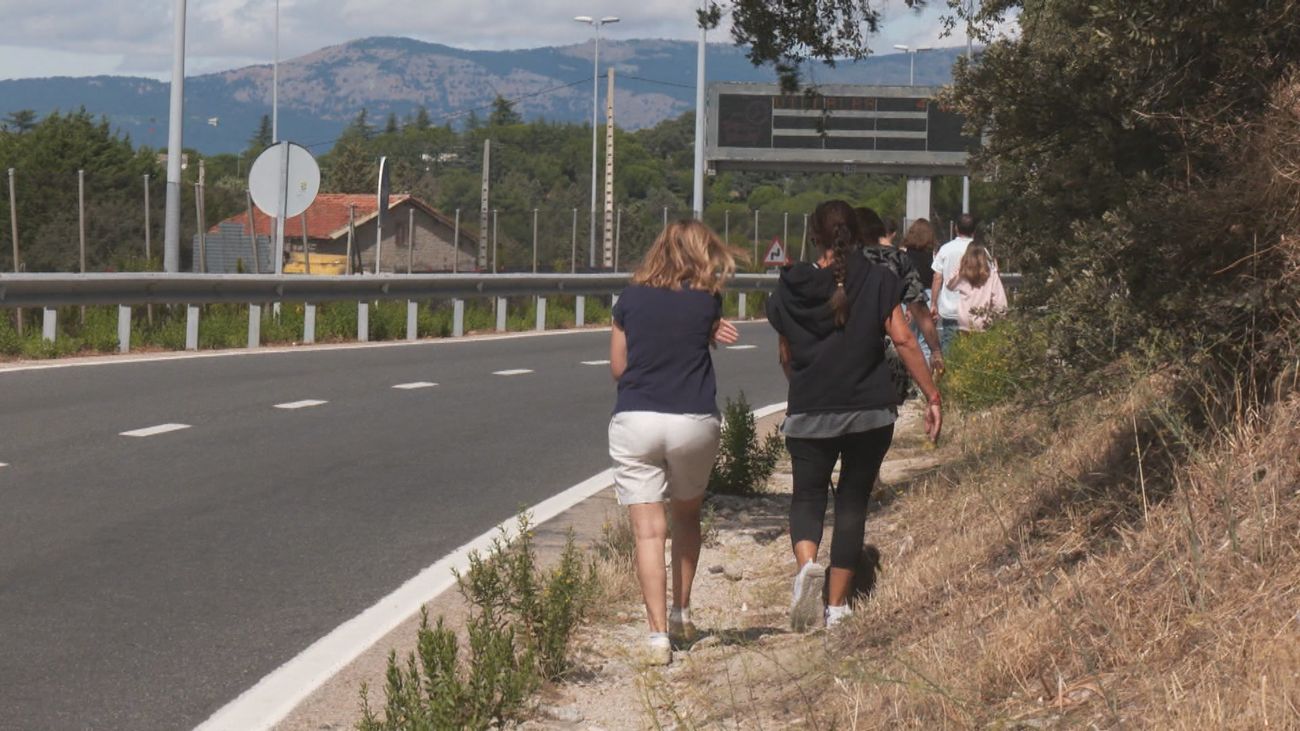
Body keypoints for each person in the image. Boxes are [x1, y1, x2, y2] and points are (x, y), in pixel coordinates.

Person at [767, 200, 942, 632]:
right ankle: (838, 608)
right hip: (869, 412)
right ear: (859, 236)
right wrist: (933, 395)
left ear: (814, 237)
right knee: (851, 504)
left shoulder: (790, 285)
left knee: (807, 497)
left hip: (810, 411)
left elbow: (786, 356)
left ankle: (808, 566)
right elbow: (902, 340)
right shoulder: (880, 279)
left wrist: (806, 383)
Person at [608, 219, 740, 665]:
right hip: (692, 420)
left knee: (648, 533)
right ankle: (682, 613)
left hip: (636, 418)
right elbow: (702, 336)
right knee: (687, 514)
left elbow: (618, 368)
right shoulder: (708, 301)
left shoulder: (629, 299)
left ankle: (657, 637)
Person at [857, 207, 945, 394]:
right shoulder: (896, 259)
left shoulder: (838, 263)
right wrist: (936, 350)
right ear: (879, 232)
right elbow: (919, 311)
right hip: (882, 354)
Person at [931, 214, 977, 353]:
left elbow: (937, 277)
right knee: (971, 350)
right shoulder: (980, 251)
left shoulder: (946, 249)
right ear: (974, 231)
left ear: (956, 228)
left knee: (948, 346)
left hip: (949, 308)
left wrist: (934, 303)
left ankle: (947, 374)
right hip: (973, 310)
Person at [900, 218, 939, 364]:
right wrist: (935, 303)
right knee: (926, 341)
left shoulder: (903, 253)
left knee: (908, 338)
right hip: (927, 295)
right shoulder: (933, 254)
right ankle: (927, 374)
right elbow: (937, 276)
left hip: (907, 297)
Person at [946, 243, 1008, 332]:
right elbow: (999, 301)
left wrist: (960, 267)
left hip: (965, 320)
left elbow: (949, 285)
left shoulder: (962, 274)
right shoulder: (991, 275)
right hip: (984, 320)